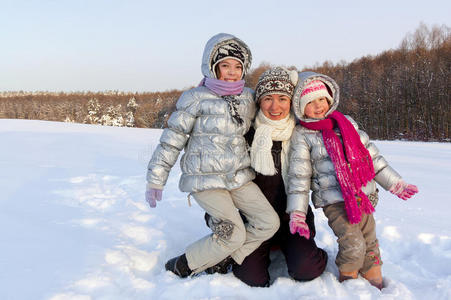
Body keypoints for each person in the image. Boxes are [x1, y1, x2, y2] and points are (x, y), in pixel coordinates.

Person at [145, 33, 280, 278]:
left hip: (238, 177)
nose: (231, 71)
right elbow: (172, 140)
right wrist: (156, 178)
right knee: (234, 232)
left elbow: (275, 111)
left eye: (238, 66)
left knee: (269, 222)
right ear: (212, 66)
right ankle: (184, 264)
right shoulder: (195, 98)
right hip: (204, 179)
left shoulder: (248, 98)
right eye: (225, 65)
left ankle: (224, 257)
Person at [286, 71, 419, 289]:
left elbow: (371, 157)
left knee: (369, 240)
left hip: (363, 194)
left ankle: (373, 277)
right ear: (301, 108)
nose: (318, 105)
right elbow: (299, 176)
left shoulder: (346, 123)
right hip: (334, 201)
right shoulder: (303, 135)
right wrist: (298, 212)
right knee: (353, 242)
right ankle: (348, 279)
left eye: (322, 99)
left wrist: (395, 183)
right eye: (310, 102)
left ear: (330, 99)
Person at [205, 67, 328, 287]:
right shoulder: (245, 134)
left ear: (292, 101)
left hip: (293, 220)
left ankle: (301, 249)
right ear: (258, 101)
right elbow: (219, 177)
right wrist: (216, 217)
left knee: (306, 269)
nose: (275, 106)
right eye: (267, 99)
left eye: (283, 98)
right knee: (251, 278)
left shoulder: (303, 133)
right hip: (256, 223)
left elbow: (327, 169)